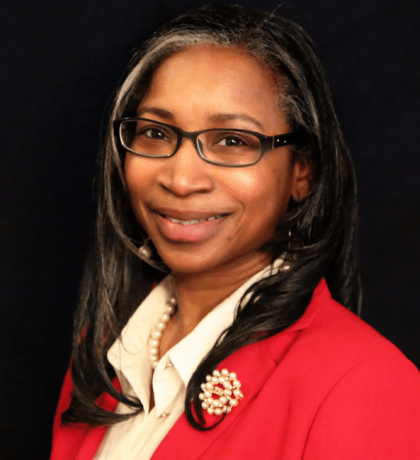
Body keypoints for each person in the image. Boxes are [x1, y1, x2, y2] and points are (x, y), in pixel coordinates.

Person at [50, 4, 420, 459]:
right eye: (156, 133)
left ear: (303, 171)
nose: (181, 179)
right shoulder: (106, 347)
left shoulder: (366, 385)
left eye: (233, 141)